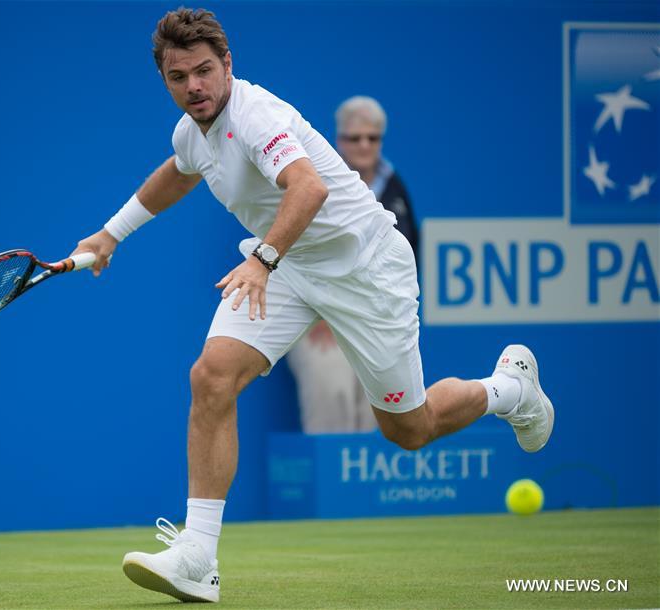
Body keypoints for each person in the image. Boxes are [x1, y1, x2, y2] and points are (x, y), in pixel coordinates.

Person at [70, 8, 554, 603]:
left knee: (409, 428)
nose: (193, 87)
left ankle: (510, 390)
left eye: (203, 71)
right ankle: (197, 555)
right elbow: (180, 171)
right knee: (212, 376)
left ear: (227, 66)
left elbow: (309, 187)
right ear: (165, 80)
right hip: (293, 266)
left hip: (366, 272)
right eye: (178, 77)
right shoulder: (193, 131)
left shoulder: (257, 116)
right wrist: (111, 233)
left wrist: (262, 259)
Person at [287, 96, 419, 434]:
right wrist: (317, 314)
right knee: (331, 410)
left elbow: (407, 257)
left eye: (372, 138)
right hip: (322, 322)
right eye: (354, 137)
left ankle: (363, 491)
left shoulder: (396, 187)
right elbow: (291, 246)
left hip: (376, 322)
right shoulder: (314, 181)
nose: (364, 145)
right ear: (338, 140)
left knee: (380, 422)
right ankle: (330, 490)